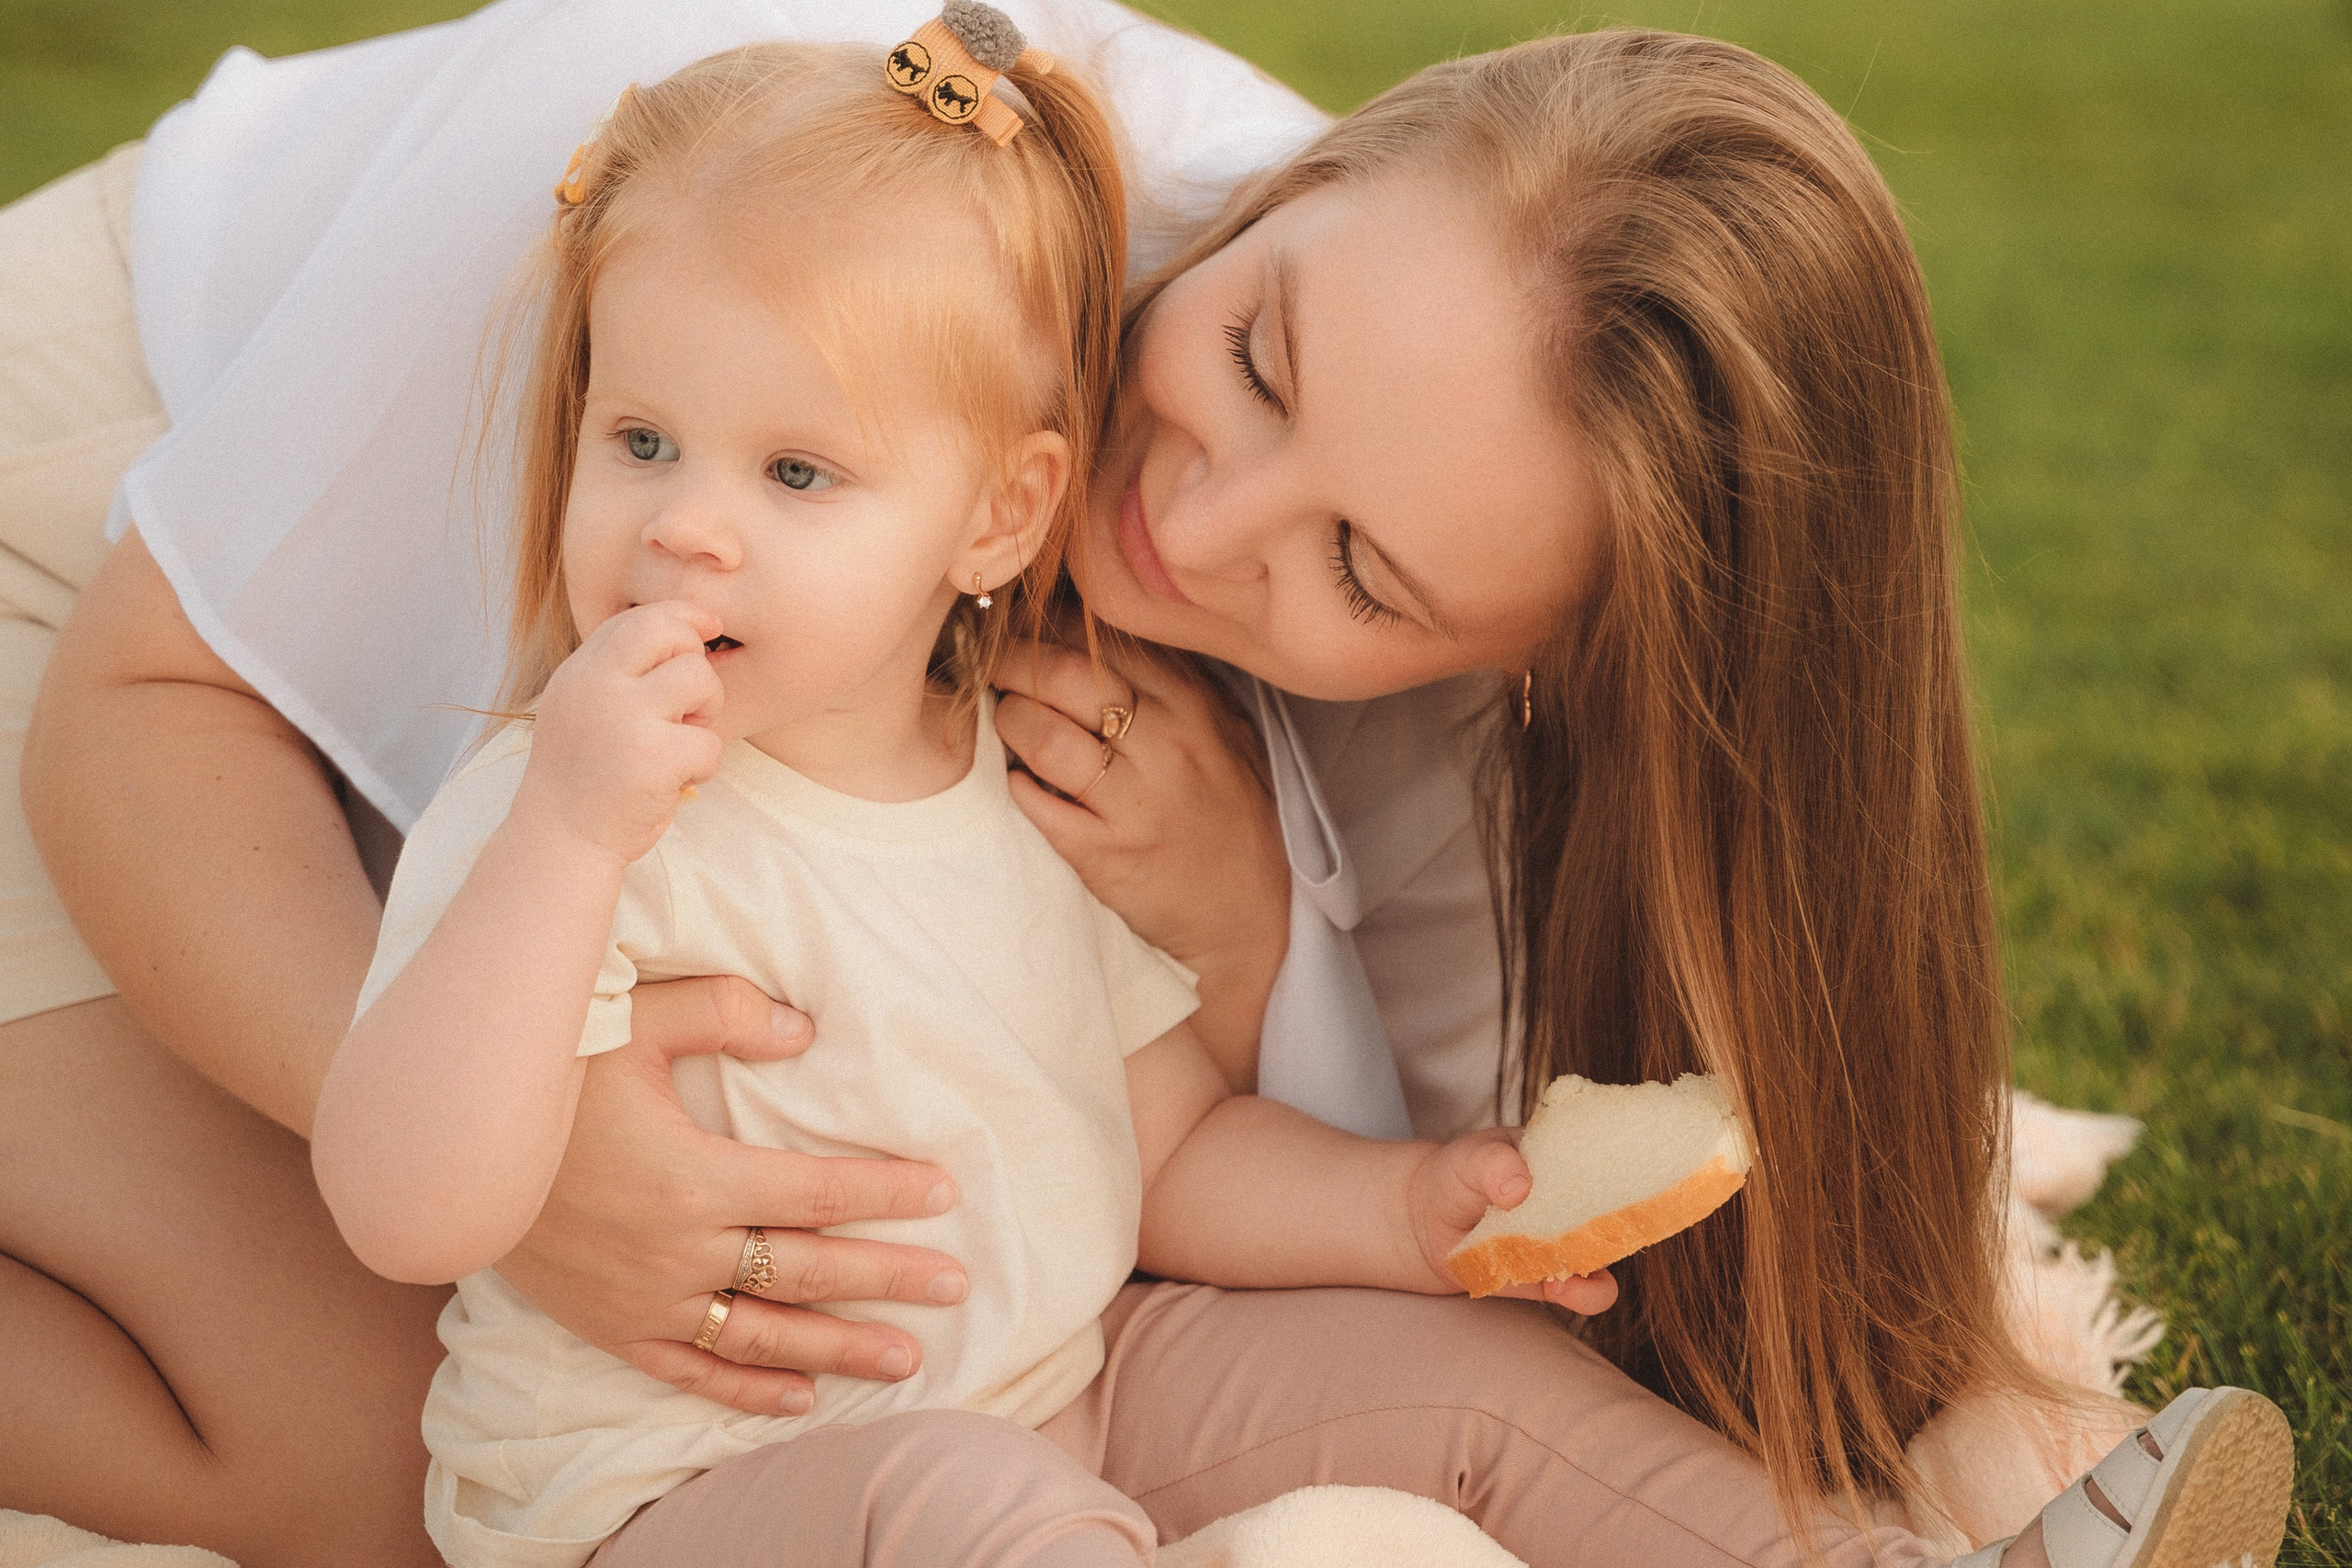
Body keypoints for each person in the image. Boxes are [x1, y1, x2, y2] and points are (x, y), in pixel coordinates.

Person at [0, 2, 2294, 1566]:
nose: (1190, 532)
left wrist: (1241, 926)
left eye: (1361, 580)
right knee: (359, 1436)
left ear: (1527, 666)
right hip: (110, 539)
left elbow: (1315, 1152)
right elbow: (148, 710)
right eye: (1251, 355)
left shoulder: (1450, 605)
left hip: (798, 986)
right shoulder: (733, 186)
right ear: (1294, 182)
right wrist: (527, 1170)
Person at [310, 24, 1588, 1564]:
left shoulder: (1026, 779)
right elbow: (405, 1210)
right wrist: (573, 835)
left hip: (1061, 1397)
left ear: (997, 518)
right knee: (974, 1512)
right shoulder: (568, 809)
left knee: (1481, 1396)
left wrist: (1407, 1215)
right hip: (673, 1498)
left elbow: (1164, 1158)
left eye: (796, 474)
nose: (688, 529)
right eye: (642, 440)